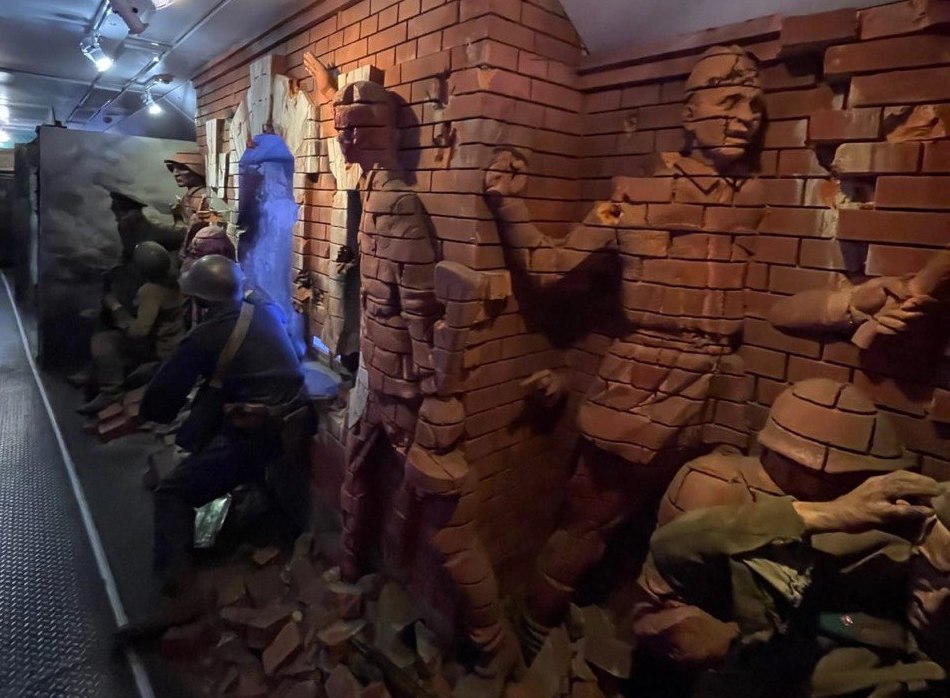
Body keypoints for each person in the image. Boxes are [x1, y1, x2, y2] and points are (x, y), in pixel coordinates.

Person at [483, 45, 768, 654]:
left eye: (755, 105)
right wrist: (508, 203)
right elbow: (551, 265)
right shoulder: (635, 199)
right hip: (647, 384)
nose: (747, 117)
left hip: (723, 383)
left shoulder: (751, 199)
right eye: (730, 100)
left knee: (702, 531)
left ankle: (648, 644)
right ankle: (533, 633)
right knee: (590, 519)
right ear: (690, 114)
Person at [334, 80, 519, 682]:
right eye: (342, 126)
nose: (348, 137)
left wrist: (432, 386)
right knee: (356, 469)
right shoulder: (370, 194)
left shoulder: (397, 204)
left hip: (404, 384)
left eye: (360, 127)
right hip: (374, 368)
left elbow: (417, 302)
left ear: (389, 132)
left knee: (446, 520)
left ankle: (493, 640)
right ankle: (350, 569)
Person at [632, 379, 950, 697]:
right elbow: (664, 567)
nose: (818, 479)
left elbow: (856, 624)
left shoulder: (885, 536)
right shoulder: (717, 485)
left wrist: (752, 643)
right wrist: (823, 514)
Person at [138, 255, 304, 590]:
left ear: (202, 301)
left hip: (253, 434)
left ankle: (178, 586)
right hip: (293, 421)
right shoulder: (265, 310)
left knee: (171, 493)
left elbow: (160, 401)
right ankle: (247, 504)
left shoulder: (207, 335)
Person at [78, 241, 183, 414]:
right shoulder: (173, 279)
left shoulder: (151, 290)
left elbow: (139, 331)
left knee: (103, 341)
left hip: (159, 348)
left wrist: (116, 309)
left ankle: (111, 392)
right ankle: (94, 375)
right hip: (173, 341)